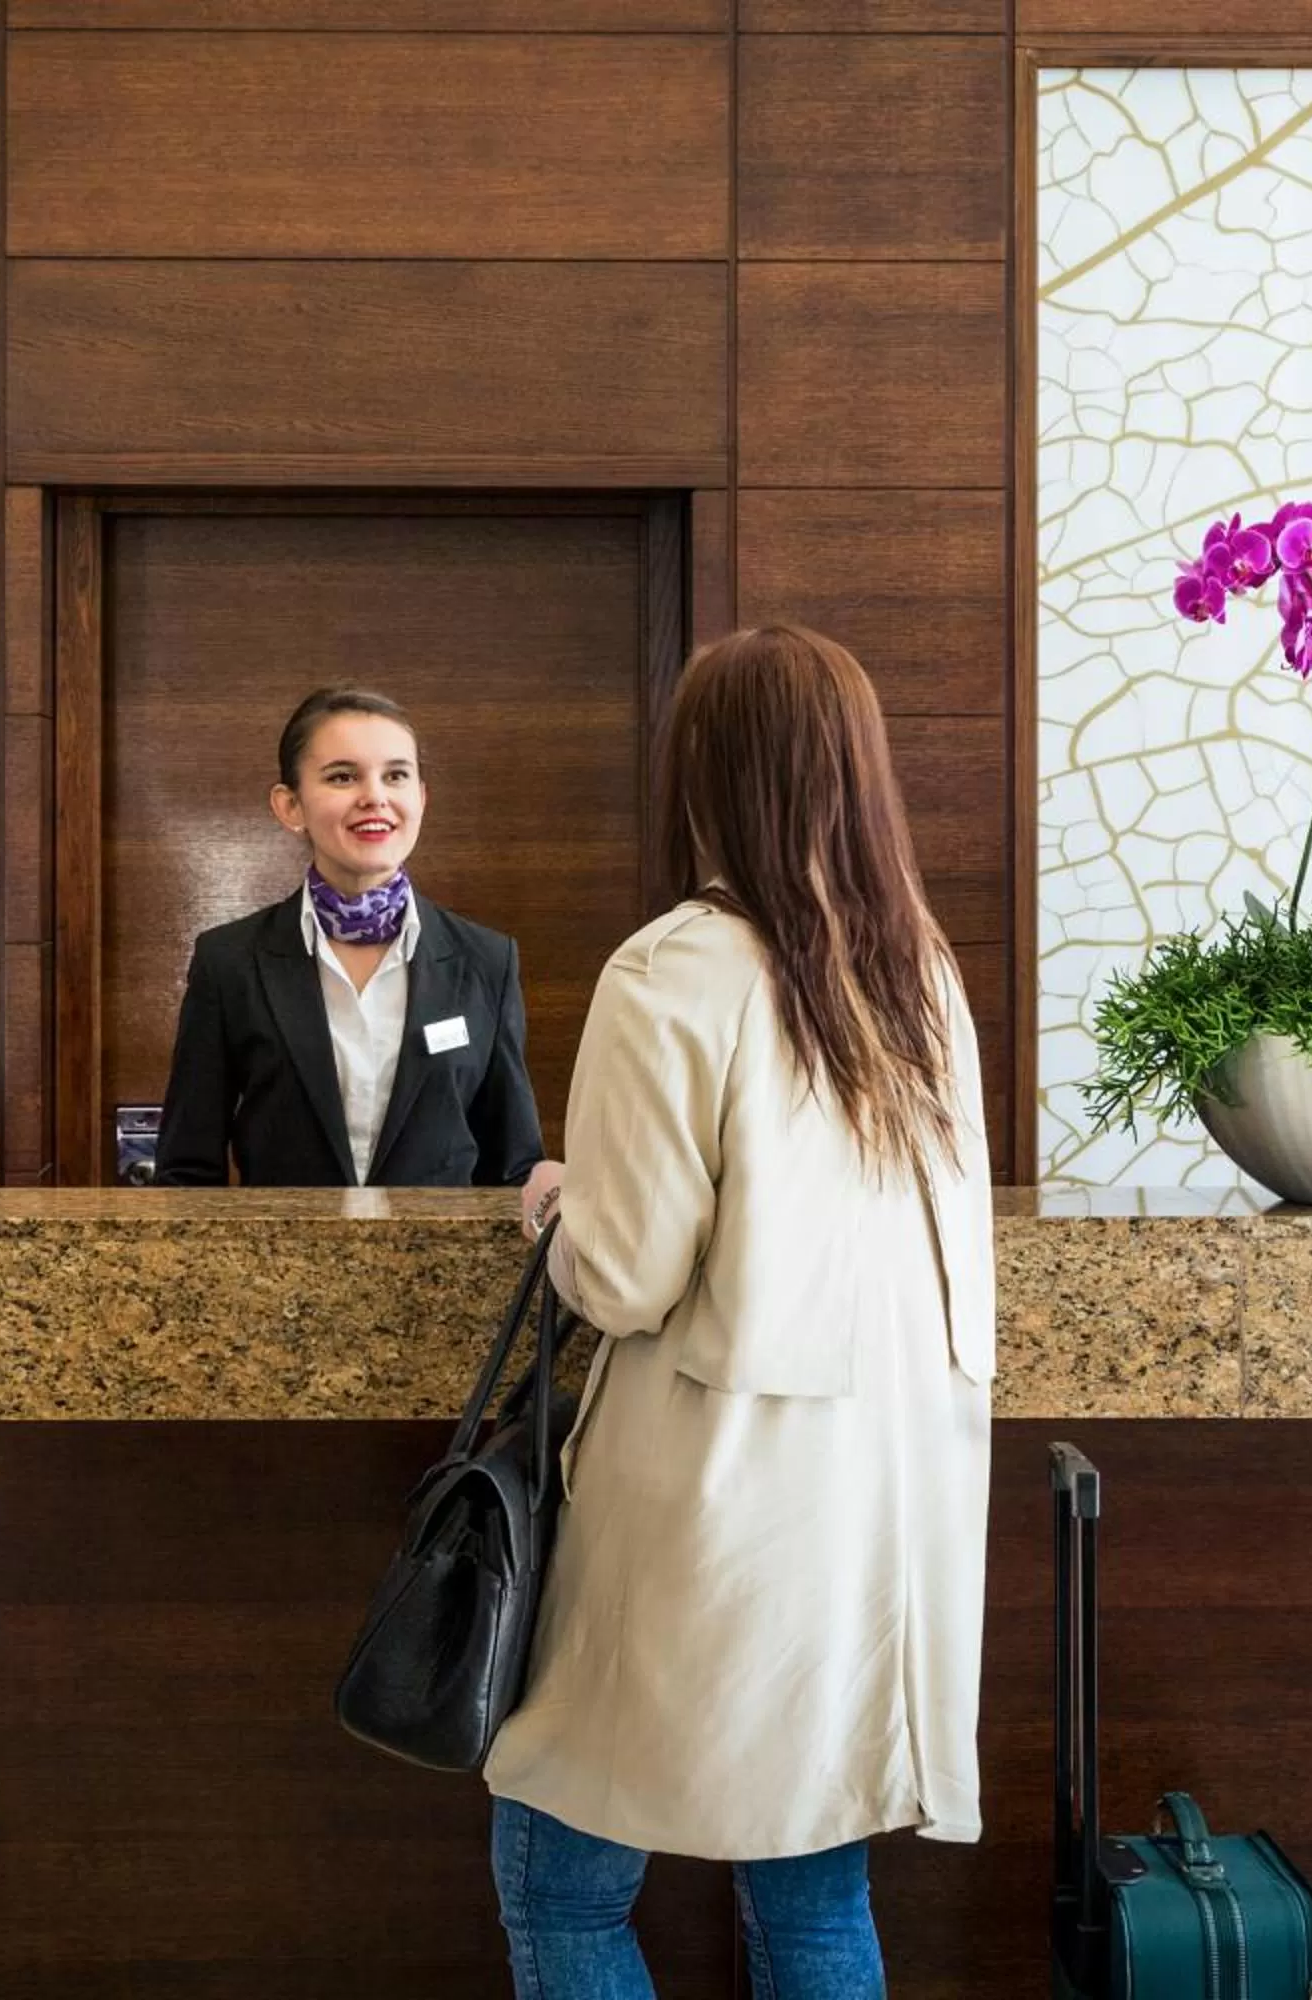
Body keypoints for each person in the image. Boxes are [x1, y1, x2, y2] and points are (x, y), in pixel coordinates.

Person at [485, 624, 997, 1998]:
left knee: (562, 1880)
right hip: (877, 1508)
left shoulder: (673, 970)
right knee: (813, 1881)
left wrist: (553, 1205)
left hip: (712, 1500)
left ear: (704, 773)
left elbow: (625, 1275)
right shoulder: (919, 974)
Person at [154, 686, 544, 1188]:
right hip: (276, 1265)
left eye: (396, 775)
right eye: (343, 776)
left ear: (420, 798)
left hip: (435, 1266)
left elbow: (513, 1170)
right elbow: (187, 1172)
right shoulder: (229, 962)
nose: (375, 797)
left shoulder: (487, 961)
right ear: (290, 805)